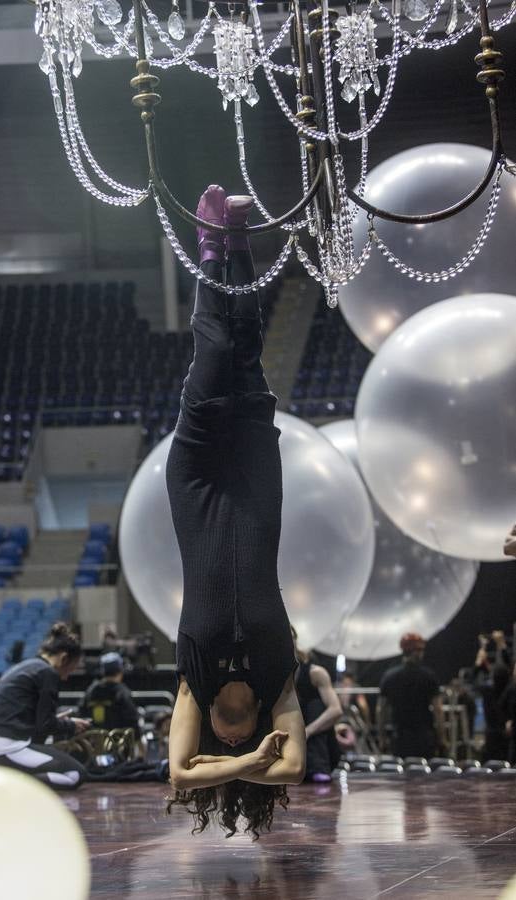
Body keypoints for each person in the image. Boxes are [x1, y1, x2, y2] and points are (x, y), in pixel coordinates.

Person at [166, 186, 306, 839]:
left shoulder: (193, 685)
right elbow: (294, 771)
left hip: (195, 486)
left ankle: (208, 246)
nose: (233, 724)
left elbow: (179, 774)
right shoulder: (278, 683)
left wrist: (238, 762)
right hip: (253, 486)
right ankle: (238, 243)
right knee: (244, 358)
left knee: (212, 357)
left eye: (223, 736)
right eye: (241, 733)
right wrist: (259, 759)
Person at [0, 623, 91, 789]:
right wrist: (71, 725)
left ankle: (13, 781)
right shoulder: (48, 673)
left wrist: (56, 720)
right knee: (75, 774)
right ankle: (14, 786)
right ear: (63, 658)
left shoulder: (28, 666)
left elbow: (36, 721)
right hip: (8, 747)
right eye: (69, 670)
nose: (66, 678)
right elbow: (46, 726)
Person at [377, 633, 445, 759]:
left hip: (399, 738)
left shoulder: (389, 677)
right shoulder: (429, 676)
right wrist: (442, 739)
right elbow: (438, 710)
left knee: (401, 775)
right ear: (415, 651)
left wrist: (382, 738)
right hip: (424, 737)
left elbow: (381, 710)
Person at [291, 625, 342, 781]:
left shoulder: (315, 673)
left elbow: (336, 710)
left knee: (315, 705)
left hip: (320, 752)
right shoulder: (273, 676)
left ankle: (317, 768)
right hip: (293, 749)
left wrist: (307, 731)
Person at [79, 651, 141, 736]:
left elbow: (81, 715)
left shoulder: (90, 691)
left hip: (93, 743)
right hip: (116, 742)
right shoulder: (122, 692)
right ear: (120, 671)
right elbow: (132, 721)